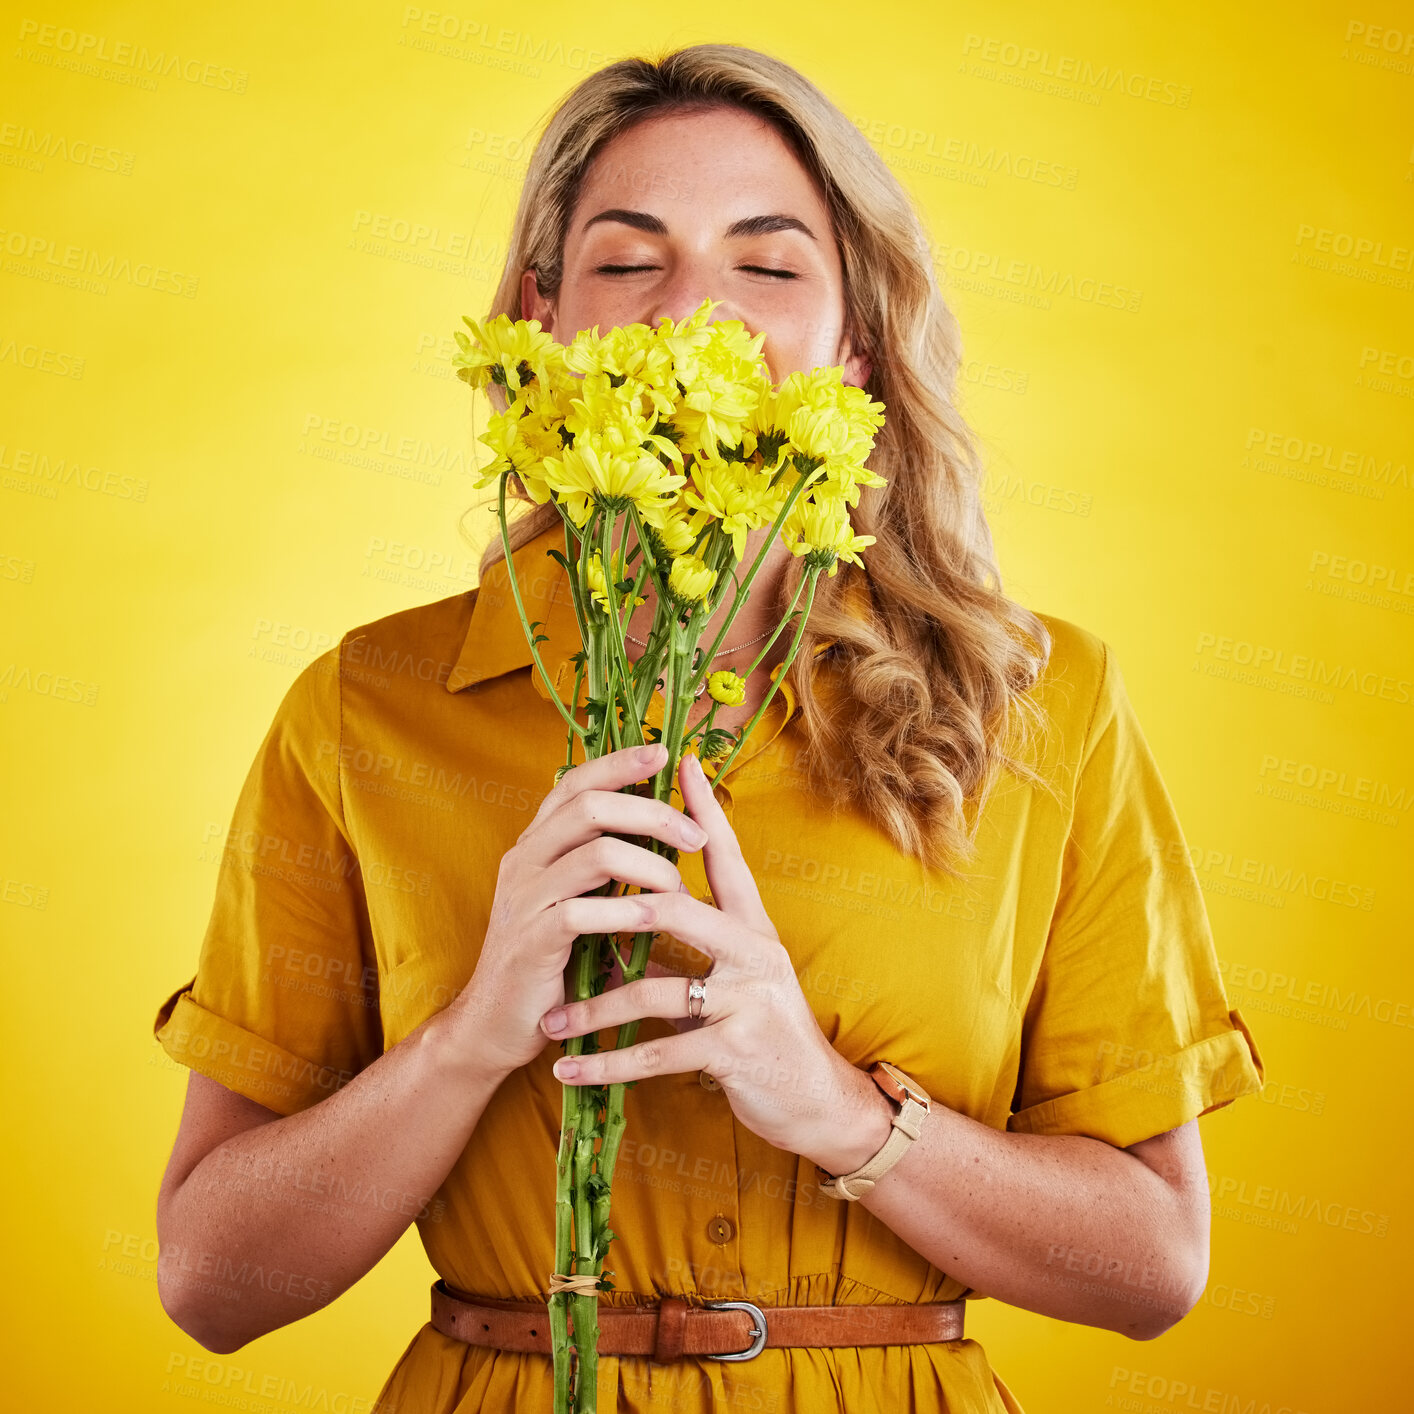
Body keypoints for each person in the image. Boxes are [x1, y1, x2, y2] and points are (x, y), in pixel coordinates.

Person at [152, 43, 1265, 1414]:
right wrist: (467, 1037)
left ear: (854, 339)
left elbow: (1151, 1264)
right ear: (539, 316)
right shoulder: (364, 705)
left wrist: (845, 1115)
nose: (694, 315)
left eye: (769, 262)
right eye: (628, 264)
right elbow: (210, 1282)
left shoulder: (1044, 705)